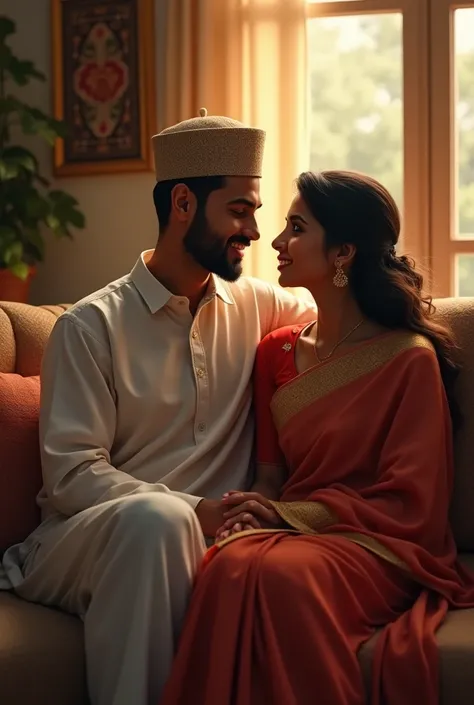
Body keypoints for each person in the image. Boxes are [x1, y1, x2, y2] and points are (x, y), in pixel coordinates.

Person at [0, 110, 316, 705]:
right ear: (183, 204)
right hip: (84, 539)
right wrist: (195, 510)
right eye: (240, 210)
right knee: (157, 522)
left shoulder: (259, 305)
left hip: (208, 542)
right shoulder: (90, 326)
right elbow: (71, 476)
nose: (254, 231)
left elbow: (343, 328)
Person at [159, 170, 474, 705]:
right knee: (226, 564)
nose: (276, 242)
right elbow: (270, 478)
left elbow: (412, 504)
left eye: (296, 228)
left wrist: (288, 517)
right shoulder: (275, 352)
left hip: (380, 546)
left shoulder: (408, 358)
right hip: (296, 531)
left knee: (282, 578)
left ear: (343, 252)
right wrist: (256, 511)